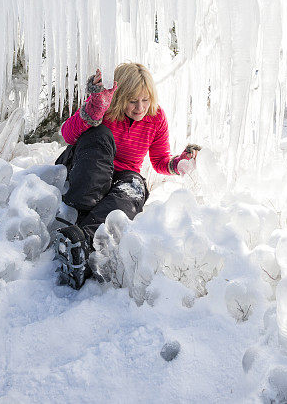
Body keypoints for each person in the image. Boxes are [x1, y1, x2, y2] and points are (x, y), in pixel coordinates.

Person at [53, 62, 201, 289]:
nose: (140, 107)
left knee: (135, 185)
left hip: (120, 178)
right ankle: (80, 212)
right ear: (120, 97)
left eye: (145, 99)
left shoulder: (156, 118)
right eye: (133, 101)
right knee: (100, 135)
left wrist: (180, 163)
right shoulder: (103, 108)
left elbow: (160, 161)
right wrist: (95, 108)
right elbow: (68, 134)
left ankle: (82, 242)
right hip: (85, 169)